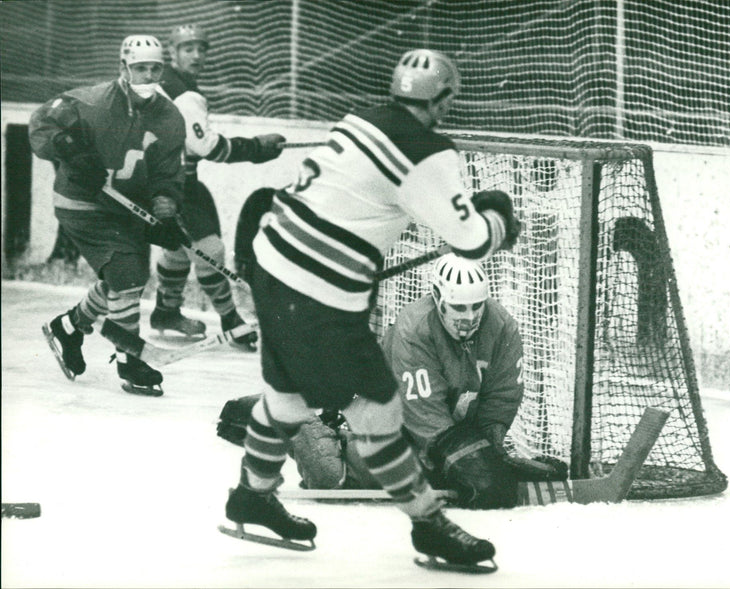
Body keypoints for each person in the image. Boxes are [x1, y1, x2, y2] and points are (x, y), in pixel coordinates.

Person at [221, 48, 520, 572]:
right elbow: (470, 240)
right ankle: (430, 526)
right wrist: (498, 216)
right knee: (380, 410)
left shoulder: (359, 119)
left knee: (287, 399)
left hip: (270, 264)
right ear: (444, 98)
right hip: (317, 295)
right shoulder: (427, 149)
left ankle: (252, 495)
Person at [218, 255, 568, 507]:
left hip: (436, 426)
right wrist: (472, 465)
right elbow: (425, 418)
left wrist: (490, 449)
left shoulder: (502, 326)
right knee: (330, 480)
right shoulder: (413, 330)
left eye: (476, 307)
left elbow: (502, 395)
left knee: (466, 474)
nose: (469, 317)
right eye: (458, 308)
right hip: (387, 419)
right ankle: (288, 419)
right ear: (438, 299)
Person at [31, 35, 187, 397]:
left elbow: (167, 175)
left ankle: (69, 327)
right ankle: (130, 358)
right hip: (82, 203)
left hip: (126, 207)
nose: (148, 75)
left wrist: (165, 204)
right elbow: (42, 123)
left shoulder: (169, 117)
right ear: (123, 68)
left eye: (155, 68)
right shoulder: (91, 102)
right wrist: (68, 148)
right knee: (128, 273)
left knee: (124, 277)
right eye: (140, 68)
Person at [151, 24, 285, 349]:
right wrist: (256, 148)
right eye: (188, 49)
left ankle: (165, 312)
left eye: (201, 48)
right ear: (173, 51)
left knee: (179, 249)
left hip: (178, 181)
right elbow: (208, 147)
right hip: (171, 185)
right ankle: (231, 320)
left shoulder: (173, 83)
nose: (196, 55)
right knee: (209, 250)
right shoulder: (184, 93)